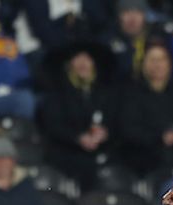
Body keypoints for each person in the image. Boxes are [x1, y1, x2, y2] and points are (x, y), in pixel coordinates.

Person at [38, 47, 119, 190]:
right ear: (69, 64)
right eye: (77, 58)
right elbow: (52, 124)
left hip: (104, 151)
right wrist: (78, 137)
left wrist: (105, 133)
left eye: (87, 58)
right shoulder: (58, 92)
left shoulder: (106, 92)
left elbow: (117, 120)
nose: (83, 63)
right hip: (67, 153)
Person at [119, 43, 173, 174]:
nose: (157, 64)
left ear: (169, 64)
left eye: (162, 59)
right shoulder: (132, 93)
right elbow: (129, 130)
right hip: (147, 160)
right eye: (152, 59)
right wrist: (160, 137)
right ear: (143, 64)